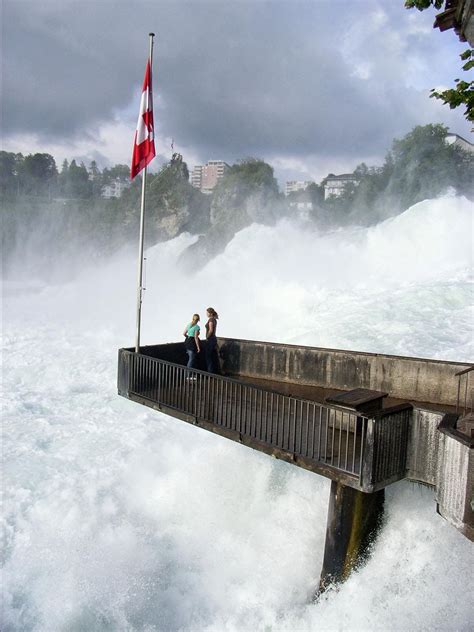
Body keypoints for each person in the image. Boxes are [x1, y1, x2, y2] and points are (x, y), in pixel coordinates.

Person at [204, 307, 219, 373]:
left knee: (208, 356)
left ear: (210, 313)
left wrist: (207, 337)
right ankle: (214, 371)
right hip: (213, 339)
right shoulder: (214, 319)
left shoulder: (210, 320)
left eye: (207, 313)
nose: (206, 314)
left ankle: (210, 372)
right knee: (213, 356)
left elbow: (211, 330)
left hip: (210, 339)